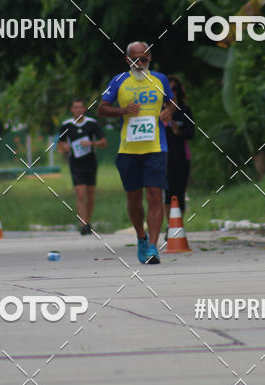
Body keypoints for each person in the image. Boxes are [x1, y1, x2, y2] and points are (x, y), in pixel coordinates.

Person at [98, 41, 173, 264]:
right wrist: (122, 110)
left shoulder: (160, 79)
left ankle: (153, 247)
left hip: (156, 148)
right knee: (133, 199)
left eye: (144, 60)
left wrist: (168, 110)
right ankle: (141, 236)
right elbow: (101, 108)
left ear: (150, 59)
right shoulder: (118, 81)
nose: (139, 64)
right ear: (127, 59)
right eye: (135, 60)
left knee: (154, 196)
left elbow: (172, 102)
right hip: (128, 149)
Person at [57, 98, 107, 234]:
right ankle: (83, 224)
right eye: (75, 107)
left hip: (90, 163)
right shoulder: (66, 125)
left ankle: (88, 221)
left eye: (80, 107)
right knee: (80, 193)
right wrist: (64, 147)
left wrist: (91, 144)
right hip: (75, 163)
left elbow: (104, 142)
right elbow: (59, 144)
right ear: (72, 110)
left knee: (90, 196)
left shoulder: (92, 124)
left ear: (84, 109)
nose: (78, 110)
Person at [164, 75, 195, 229]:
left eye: (174, 89)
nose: (172, 93)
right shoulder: (158, 110)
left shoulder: (184, 110)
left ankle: (178, 226)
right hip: (163, 157)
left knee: (180, 192)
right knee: (168, 192)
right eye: (168, 90)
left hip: (182, 156)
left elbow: (191, 133)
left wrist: (178, 130)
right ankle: (169, 225)